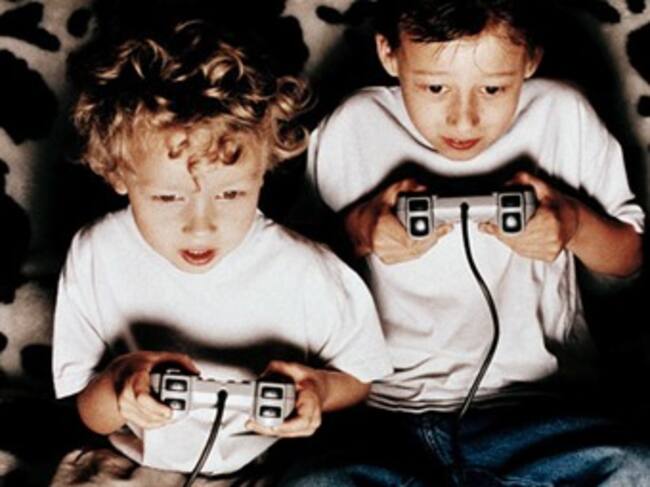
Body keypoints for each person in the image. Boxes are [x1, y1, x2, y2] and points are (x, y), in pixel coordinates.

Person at [285, 0, 650, 485]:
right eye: (434, 88)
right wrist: (359, 230)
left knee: (635, 467)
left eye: (493, 88)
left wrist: (573, 223)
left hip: (534, 409)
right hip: (386, 418)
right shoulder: (353, 125)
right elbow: (293, 278)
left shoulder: (563, 115)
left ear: (531, 58)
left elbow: (630, 258)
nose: (463, 120)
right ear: (389, 54)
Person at [51, 20, 392, 479]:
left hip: (266, 466)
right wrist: (119, 385)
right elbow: (88, 411)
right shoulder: (97, 254)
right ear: (117, 173)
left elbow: (360, 378)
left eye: (230, 194)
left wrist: (319, 391)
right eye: (168, 197)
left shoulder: (307, 270)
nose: (201, 226)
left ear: (264, 168)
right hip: (133, 462)